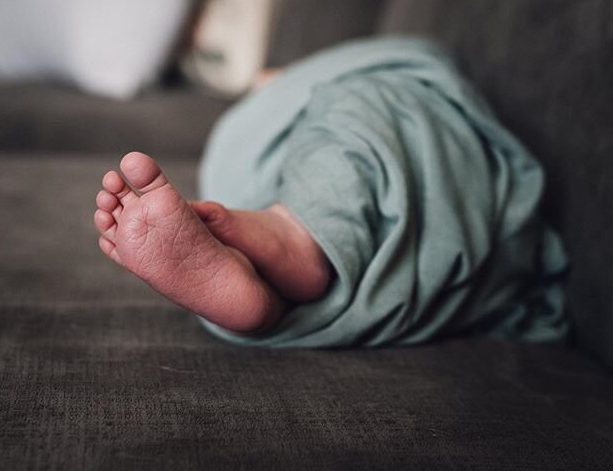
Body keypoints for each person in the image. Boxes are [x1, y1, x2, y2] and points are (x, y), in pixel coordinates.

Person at [93, 37, 569, 348]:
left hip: (438, 188)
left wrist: (274, 85)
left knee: (358, 112)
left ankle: (289, 243)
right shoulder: (295, 122)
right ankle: (277, 262)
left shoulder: (343, 85)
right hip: (453, 262)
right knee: (347, 134)